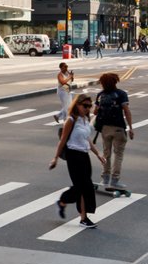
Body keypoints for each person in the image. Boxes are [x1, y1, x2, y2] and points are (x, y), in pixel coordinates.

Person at [51, 92, 104, 228]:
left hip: (84, 156)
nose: (87, 109)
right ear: (77, 105)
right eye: (85, 106)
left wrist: (98, 154)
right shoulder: (71, 120)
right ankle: (83, 218)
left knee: (85, 186)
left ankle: (64, 202)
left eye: (89, 106)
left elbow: (87, 139)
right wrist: (55, 158)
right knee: (82, 187)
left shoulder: (85, 120)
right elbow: (62, 141)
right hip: (73, 156)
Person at [93, 70, 133, 192]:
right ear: (115, 82)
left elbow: (95, 112)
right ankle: (115, 180)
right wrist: (131, 128)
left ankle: (105, 178)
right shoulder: (121, 94)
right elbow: (126, 110)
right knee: (118, 154)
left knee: (106, 154)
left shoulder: (100, 95)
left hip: (105, 128)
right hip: (118, 128)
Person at [54, 61, 75, 129]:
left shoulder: (67, 72)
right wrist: (69, 77)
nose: (66, 68)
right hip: (62, 92)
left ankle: (58, 116)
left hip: (68, 90)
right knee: (66, 107)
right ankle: (65, 121)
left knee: (69, 105)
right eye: (65, 67)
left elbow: (72, 80)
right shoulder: (59, 74)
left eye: (67, 66)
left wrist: (71, 76)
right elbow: (62, 82)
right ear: (61, 68)